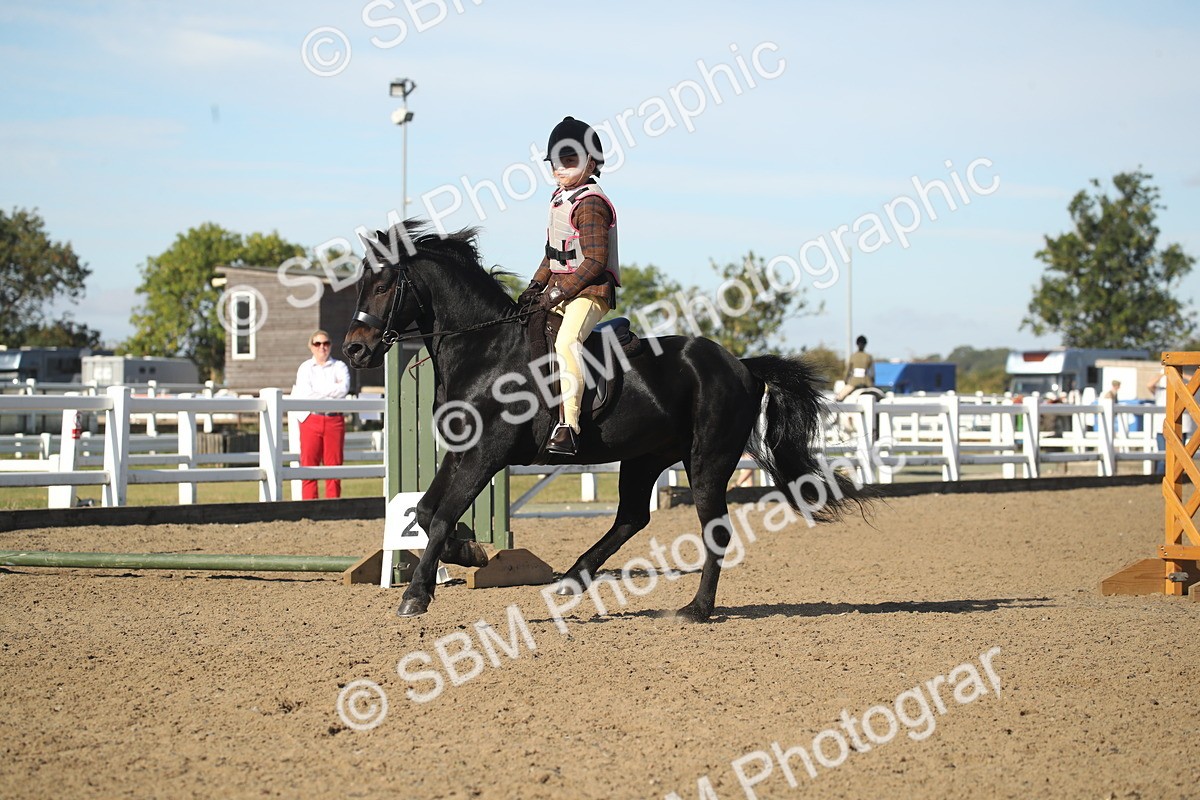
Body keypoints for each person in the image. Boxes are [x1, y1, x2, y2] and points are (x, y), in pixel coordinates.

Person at [517, 116, 619, 456]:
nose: (561, 168)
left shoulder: (590, 203)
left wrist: (559, 292)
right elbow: (552, 254)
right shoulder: (560, 198)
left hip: (590, 292)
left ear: (591, 162)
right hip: (561, 289)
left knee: (566, 341)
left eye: (570, 160)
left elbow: (594, 262)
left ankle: (568, 426)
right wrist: (535, 286)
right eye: (557, 162)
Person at [294, 329, 350, 499]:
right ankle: (309, 506)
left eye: (325, 343)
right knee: (309, 466)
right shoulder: (305, 368)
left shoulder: (340, 366)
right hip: (311, 419)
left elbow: (344, 389)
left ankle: (334, 507)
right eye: (317, 343)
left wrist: (319, 391)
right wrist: (332, 390)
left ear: (330, 346)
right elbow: (306, 394)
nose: (322, 347)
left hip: (334, 419)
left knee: (334, 467)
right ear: (311, 346)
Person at [836, 335, 875, 401]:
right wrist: (872, 382)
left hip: (854, 382)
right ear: (865, 344)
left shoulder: (853, 356)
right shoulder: (869, 356)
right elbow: (872, 372)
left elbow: (847, 371)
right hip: (867, 382)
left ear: (857, 344)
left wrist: (845, 380)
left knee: (839, 397)